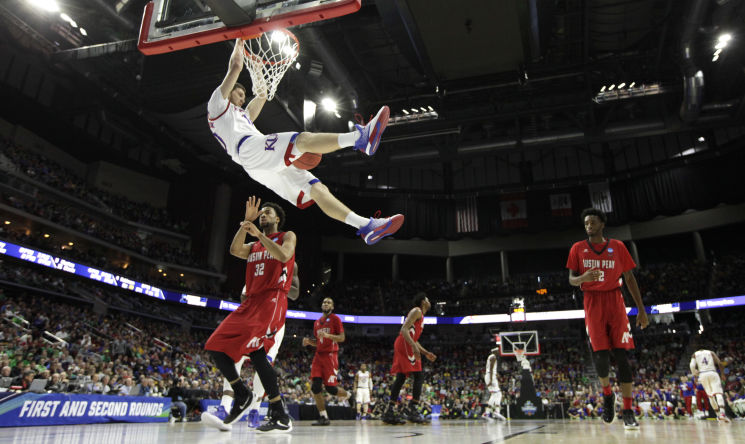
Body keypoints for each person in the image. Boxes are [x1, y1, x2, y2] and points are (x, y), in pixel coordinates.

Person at [207, 39, 403, 245]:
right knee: (303, 139)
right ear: (227, 92)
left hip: (254, 163)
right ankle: (360, 139)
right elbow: (236, 67)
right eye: (239, 95)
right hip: (249, 150)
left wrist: (256, 67)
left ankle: (365, 226)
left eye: (243, 96)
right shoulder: (217, 105)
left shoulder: (242, 116)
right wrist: (240, 42)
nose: (242, 99)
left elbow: (262, 95)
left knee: (318, 190)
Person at [202, 196, 294, 433]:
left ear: (278, 219)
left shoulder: (286, 236)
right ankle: (243, 394)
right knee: (215, 345)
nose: (263, 215)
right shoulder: (254, 246)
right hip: (250, 302)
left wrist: (260, 234)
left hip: (272, 301)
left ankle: (275, 411)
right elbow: (234, 250)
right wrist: (245, 223)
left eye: (267, 213)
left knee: (258, 353)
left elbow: (284, 256)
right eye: (261, 213)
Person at [566, 207, 649, 430]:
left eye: (593, 222)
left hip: (615, 300)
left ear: (602, 224)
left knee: (622, 356)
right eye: (586, 223)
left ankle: (629, 410)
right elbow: (571, 280)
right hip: (592, 302)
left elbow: (630, 278)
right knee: (601, 357)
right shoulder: (578, 248)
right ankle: (608, 396)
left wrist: (641, 310)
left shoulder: (618, 247)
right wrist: (582, 277)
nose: (589, 226)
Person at [211, 262, 300, 428]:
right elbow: (244, 296)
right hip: (253, 318)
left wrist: (275, 284)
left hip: (274, 321)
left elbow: (294, 294)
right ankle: (224, 406)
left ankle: (254, 411)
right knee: (233, 356)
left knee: (263, 363)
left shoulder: (290, 264)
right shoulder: (258, 258)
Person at [381, 293, 437, 425]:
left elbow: (414, 339)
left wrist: (425, 352)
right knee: (418, 375)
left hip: (407, 344)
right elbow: (404, 330)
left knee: (401, 377)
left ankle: (390, 410)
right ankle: (412, 409)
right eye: (428, 299)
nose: (429, 302)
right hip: (404, 344)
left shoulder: (420, 315)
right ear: (423, 302)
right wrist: (413, 347)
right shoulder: (416, 310)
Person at [302, 297, 350, 426]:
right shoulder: (317, 322)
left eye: (328, 302)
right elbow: (318, 342)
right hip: (318, 356)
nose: (326, 304)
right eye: (324, 302)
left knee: (331, 389)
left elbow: (342, 338)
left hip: (330, 356)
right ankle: (324, 417)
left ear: (332, 307)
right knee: (315, 387)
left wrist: (329, 336)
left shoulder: (335, 319)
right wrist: (309, 342)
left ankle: (349, 395)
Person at [690, 348, 731, 423]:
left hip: (702, 375)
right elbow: (720, 363)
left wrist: (695, 376)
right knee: (718, 393)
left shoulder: (695, 354)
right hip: (712, 373)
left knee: (710, 396)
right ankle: (722, 414)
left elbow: (692, 366)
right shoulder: (711, 352)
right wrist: (722, 374)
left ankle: (718, 415)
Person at [482, 347, 506, 421]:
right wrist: (491, 379)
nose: (499, 352)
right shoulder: (493, 357)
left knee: (494, 394)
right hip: (490, 376)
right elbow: (491, 369)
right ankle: (496, 411)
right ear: (494, 351)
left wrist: (495, 375)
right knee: (498, 394)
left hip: (489, 375)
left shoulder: (491, 357)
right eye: (497, 351)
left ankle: (487, 413)